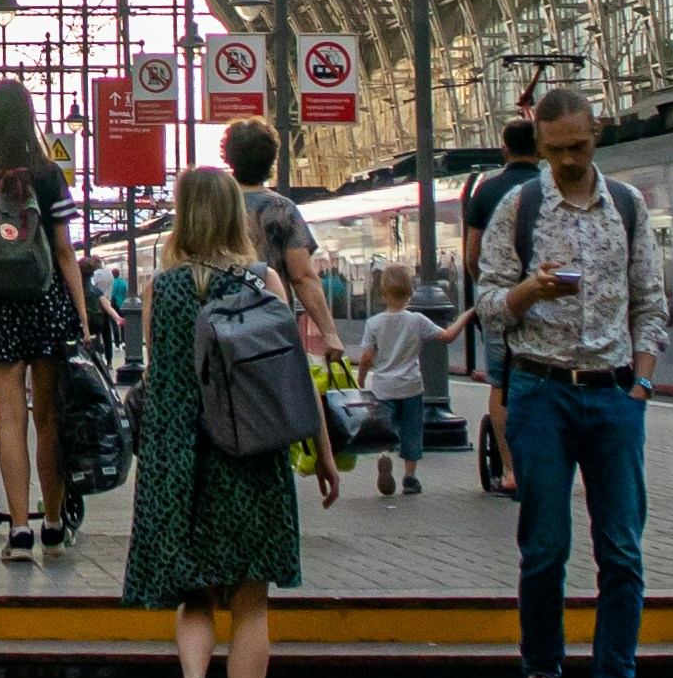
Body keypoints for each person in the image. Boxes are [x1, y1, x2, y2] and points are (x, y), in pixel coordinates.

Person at [486, 84, 670, 678]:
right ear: (539, 146)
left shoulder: (626, 205)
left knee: (621, 552)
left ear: (597, 134)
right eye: (556, 149)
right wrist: (530, 290)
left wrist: (642, 381)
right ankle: (541, 671)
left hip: (613, 392)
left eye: (579, 146)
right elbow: (487, 303)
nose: (567, 159)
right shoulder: (519, 206)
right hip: (539, 389)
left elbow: (649, 298)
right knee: (545, 545)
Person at [123, 164, 303, 678]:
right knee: (251, 600)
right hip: (250, 453)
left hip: (179, 461)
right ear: (234, 215)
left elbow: (159, 377)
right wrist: (323, 455)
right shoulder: (262, 281)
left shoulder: (162, 288)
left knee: (195, 595)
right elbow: (289, 379)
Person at [0, 85, 87, 561]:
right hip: (44, 304)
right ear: (30, 117)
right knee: (47, 419)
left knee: (10, 419)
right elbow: (65, 250)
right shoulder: (48, 173)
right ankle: (52, 524)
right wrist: (83, 314)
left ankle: (20, 532)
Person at [219, 119, 345, 506]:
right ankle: (272, 490)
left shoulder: (217, 206)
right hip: (271, 330)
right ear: (273, 160)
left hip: (219, 329)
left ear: (228, 157)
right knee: (278, 406)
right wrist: (329, 332)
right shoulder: (282, 211)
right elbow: (304, 277)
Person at [459, 114, 539, 496]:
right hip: (548, 300)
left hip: (502, 301)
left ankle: (509, 470)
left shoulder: (487, 192)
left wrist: (486, 291)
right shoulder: (549, 187)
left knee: (501, 381)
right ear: (540, 148)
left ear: (504, 148)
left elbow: (472, 256)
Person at [355, 264, 442, 495]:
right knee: (412, 430)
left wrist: (361, 380)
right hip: (411, 387)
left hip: (383, 388)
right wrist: (467, 315)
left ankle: (385, 454)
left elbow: (366, 357)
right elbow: (447, 336)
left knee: (387, 427)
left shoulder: (373, 323)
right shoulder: (417, 320)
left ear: (382, 293)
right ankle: (410, 478)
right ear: (411, 292)